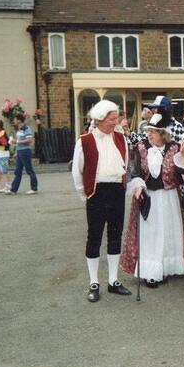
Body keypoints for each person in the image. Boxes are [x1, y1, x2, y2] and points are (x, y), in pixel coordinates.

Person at [72, 100, 132, 302]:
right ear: (99, 119)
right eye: (112, 118)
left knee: (116, 235)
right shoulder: (85, 140)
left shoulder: (121, 138)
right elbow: (77, 171)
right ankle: (94, 282)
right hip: (96, 192)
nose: (116, 121)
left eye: (117, 117)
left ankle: (113, 280)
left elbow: (125, 164)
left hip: (116, 190)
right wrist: (86, 194)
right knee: (94, 237)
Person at [121, 111, 184, 288]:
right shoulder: (142, 148)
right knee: (151, 234)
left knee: (167, 232)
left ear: (163, 133)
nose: (149, 134)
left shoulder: (174, 147)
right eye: (148, 131)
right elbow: (136, 173)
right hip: (149, 196)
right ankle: (150, 272)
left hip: (169, 197)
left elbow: (182, 173)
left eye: (153, 131)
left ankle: (165, 267)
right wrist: (138, 187)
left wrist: (183, 156)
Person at [6, 113, 38, 195]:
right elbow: (18, 142)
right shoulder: (19, 130)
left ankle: (34, 188)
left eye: (15, 119)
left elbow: (29, 140)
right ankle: (13, 190)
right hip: (20, 152)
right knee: (18, 171)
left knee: (29, 170)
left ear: (19, 120)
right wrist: (16, 151)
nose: (14, 121)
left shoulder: (26, 128)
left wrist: (16, 141)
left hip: (25, 151)